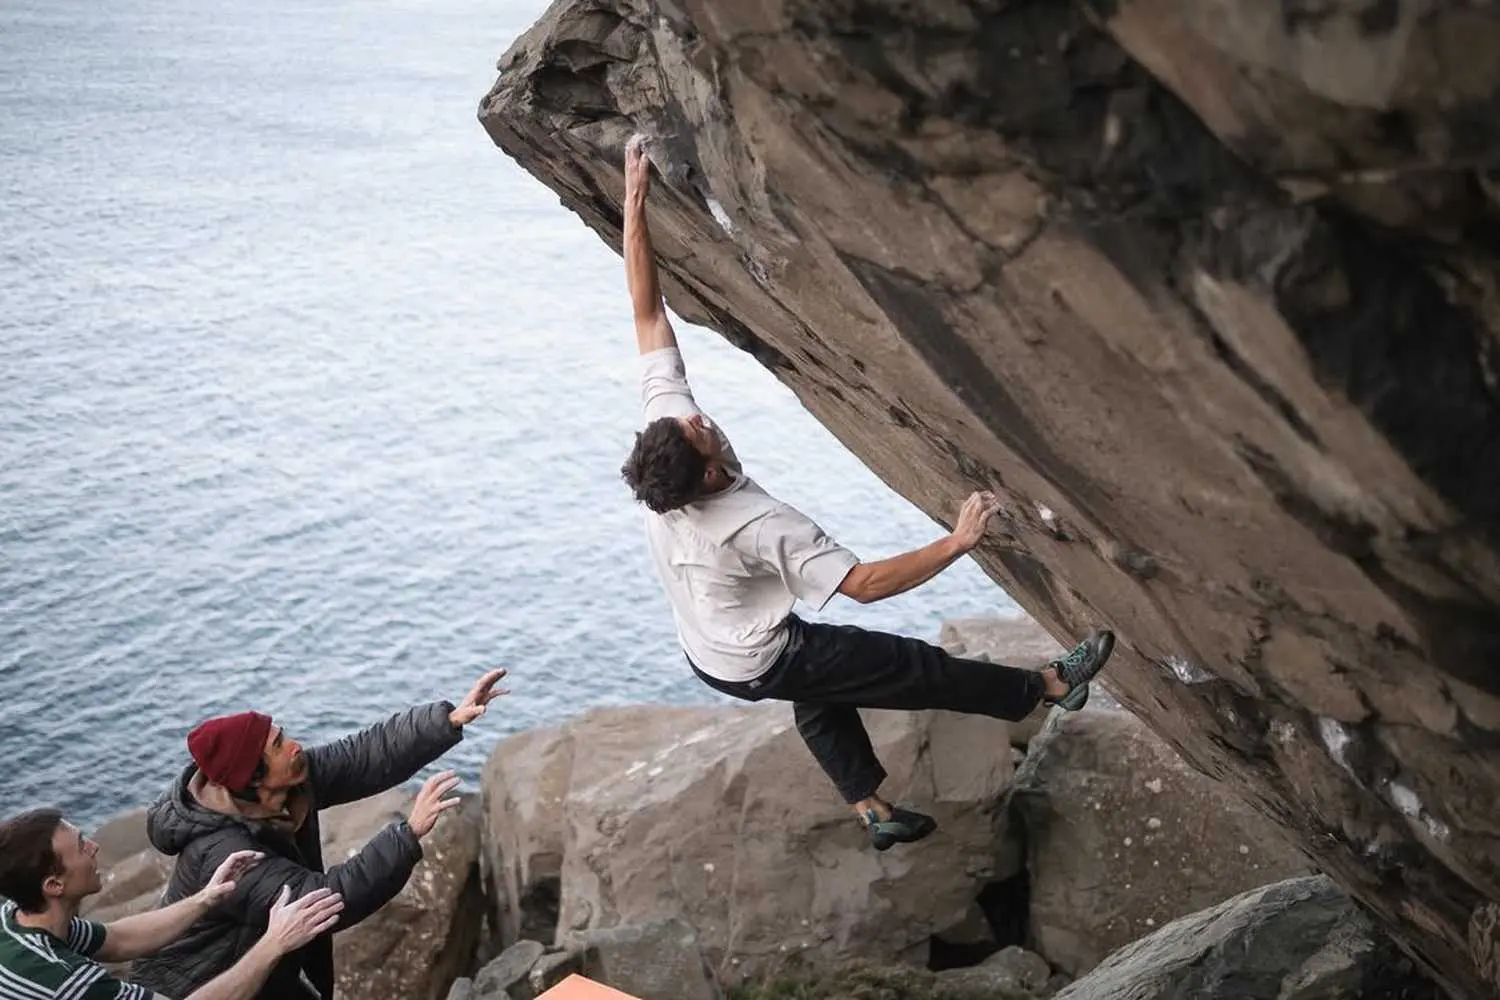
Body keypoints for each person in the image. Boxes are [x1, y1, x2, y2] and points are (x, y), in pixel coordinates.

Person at [616, 136, 1116, 851]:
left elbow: (645, 314)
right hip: (757, 655)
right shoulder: (757, 523)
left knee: (821, 695)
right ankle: (1044, 688)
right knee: (904, 667)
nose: (697, 420)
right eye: (700, 435)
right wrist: (957, 541)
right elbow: (865, 585)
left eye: (689, 422)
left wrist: (634, 201)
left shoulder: (664, 439)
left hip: (708, 652)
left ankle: (871, 808)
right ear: (707, 475)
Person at [128, 668, 508, 1000]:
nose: (293, 746)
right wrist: (408, 833)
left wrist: (448, 721)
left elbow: (366, 756)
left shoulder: (290, 782)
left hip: (258, 970)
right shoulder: (225, 854)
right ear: (253, 780)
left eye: (282, 735)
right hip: (199, 987)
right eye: (278, 745)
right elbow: (327, 901)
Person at [0, 807, 344, 1000]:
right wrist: (274, 944)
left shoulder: (17, 920)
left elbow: (118, 939)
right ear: (54, 885)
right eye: (80, 846)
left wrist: (206, 897)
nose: (94, 846)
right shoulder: (65, 981)